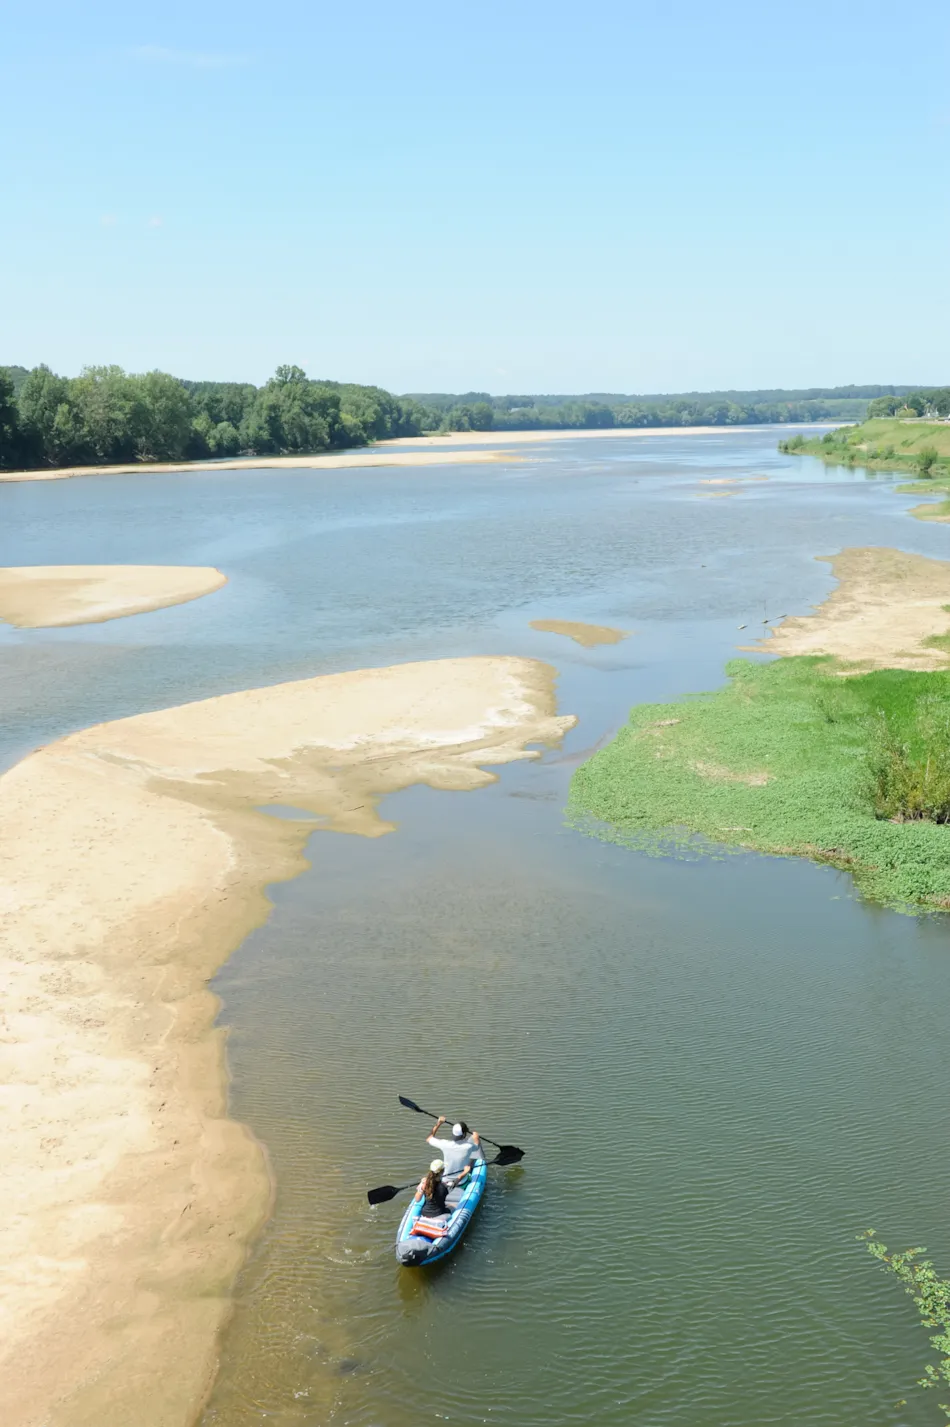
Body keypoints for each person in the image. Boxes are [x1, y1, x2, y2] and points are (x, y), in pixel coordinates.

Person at [426, 1115, 483, 1186]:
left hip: (445, 1180)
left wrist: (439, 1123)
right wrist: (476, 1137)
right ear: (464, 1134)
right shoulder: (469, 1146)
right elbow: (477, 1147)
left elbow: (429, 1138)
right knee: (470, 1163)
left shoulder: (445, 1144)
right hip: (462, 1181)